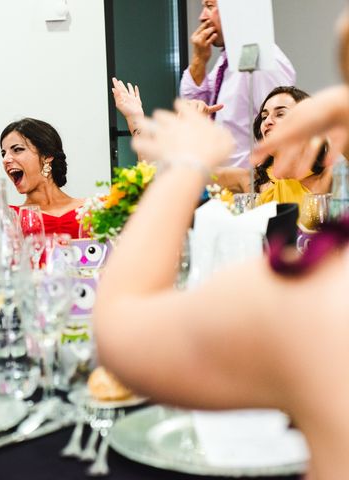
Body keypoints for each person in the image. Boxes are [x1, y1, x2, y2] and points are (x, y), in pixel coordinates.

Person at [93, 96, 349, 478]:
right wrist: (137, 120)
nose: (266, 123)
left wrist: (185, 161)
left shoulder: (313, 288)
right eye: (263, 116)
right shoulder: (261, 187)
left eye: (283, 114)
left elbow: (121, 326)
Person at [0, 83, 84, 238]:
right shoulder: (9, 220)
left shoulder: (93, 210)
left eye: (17, 149)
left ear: (47, 155)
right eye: (3, 153)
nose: (6, 159)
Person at [180, 0, 295, 167]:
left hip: (252, 187)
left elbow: (282, 134)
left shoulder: (264, 59)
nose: (202, 17)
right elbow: (193, 108)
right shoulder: (227, 60)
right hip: (222, 185)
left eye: (210, 6)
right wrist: (199, 60)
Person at [215, 86, 332, 207]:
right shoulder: (248, 180)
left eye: (280, 114)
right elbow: (201, 174)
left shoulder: (328, 176)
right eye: (264, 117)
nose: (267, 121)